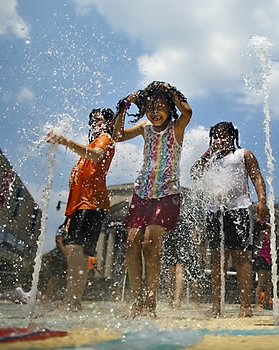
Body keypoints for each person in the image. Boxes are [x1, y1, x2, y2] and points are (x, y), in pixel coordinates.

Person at [113, 81, 192, 317]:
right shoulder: (145, 127)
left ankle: (151, 303)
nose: (155, 112)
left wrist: (171, 90)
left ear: (170, 108)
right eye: (150, 107)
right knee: (131, 243)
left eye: (160, 107)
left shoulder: (176, 127)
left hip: (167, 193)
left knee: (150, 244)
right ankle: (137, 302)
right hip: (142, 193)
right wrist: (125, 105)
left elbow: (187, 111)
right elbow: (117, 135)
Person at [191, 121, 269, 317]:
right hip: (215, 210)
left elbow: (257, 177)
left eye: (225, 135)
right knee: (217, 259)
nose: (221, 139)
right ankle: (217, 306)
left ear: (233, 136)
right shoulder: (210, 159)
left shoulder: (243, 154)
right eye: (217, 136)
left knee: (241, 257)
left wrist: (262, 201)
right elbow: (194, 174)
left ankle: (245, 306)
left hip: (239, 208)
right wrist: (208, 152)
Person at [46, 107, 116, 312]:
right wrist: (69, 215)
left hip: (92, 204)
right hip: (81, 207)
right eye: (92, 121)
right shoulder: (88, 145)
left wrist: (65, 141)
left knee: (77, 251)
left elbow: (96, 156)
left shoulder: (104, 139)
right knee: (78, 253)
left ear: (109, 124)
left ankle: (71, 301)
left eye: (99, 120)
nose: (95, 124)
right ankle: (73, 301)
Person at [41, 221, 68, 302]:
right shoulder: (63, 228)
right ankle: (46, 296)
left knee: (61, 277)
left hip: (62, 256)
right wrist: (66, 253)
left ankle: (51, 295)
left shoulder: (69, 229)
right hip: (59, 256)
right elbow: (59, 241)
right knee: (54, 277)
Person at [253, 221, 272, 310]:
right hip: (262, 259)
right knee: (261, 282)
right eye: (267, 228)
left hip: (269, 260)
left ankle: (267, 303)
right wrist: (266, 225)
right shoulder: (262, 234)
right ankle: (257, 304)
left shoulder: (270, 236)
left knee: (269, 283)